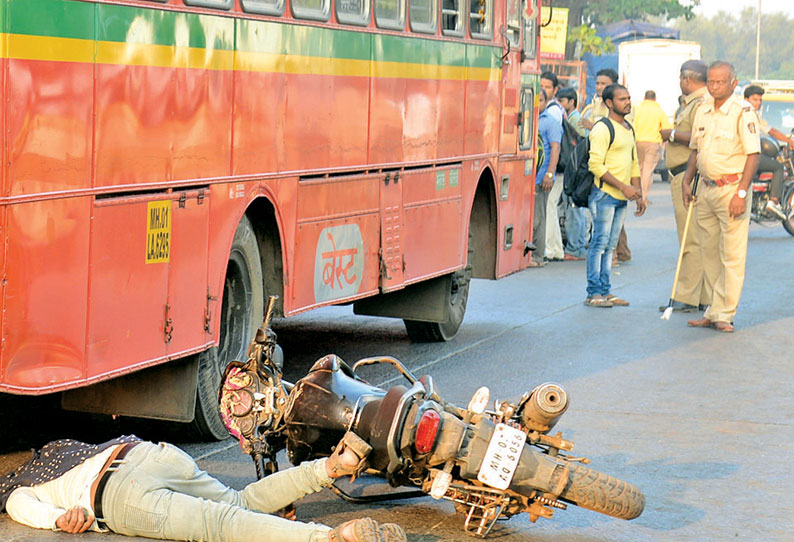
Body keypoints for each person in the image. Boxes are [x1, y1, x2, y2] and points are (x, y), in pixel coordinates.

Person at [0, 434, 407, 542]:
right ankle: (333, 465)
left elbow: (19, 504)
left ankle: (333, 539)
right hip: (149, 454)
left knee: (221, 524)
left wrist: (58, 518)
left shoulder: (19, 484)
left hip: (116, 493)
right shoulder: (60, 450)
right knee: (239, 500)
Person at [683, 61, 761, 333]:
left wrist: (741, 192)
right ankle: (712, 310)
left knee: (732, 254)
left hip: (732, 189)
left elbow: (753, 154)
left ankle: (725, 314)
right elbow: (696, 150)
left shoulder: (743, 111)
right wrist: (686, 179)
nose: (714, 86)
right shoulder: (702, 109)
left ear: (733, 83)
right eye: (711, 81)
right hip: (706, 189)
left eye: (720, 82)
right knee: (709, 253)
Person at [584, 83, 645, 307]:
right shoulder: (602, 128)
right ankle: (593, 293)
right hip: (604, 195)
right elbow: (596, 165)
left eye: (629, 98)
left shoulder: (628, 128)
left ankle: (606, 290)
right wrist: (623, 186)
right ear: (609, 103)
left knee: (610, 246)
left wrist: (638, 193)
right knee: (599, 244)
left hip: (622, 197)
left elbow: (634, 163)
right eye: (622, 99)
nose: (627, 102)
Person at [658, 59, 711, 313]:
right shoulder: (694, 103)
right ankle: (702, 295)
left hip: (688, 176)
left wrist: (671, 134)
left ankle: (687, 296)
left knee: (690, 238)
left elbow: (700, 137)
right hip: (684, 174)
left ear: (686, 79)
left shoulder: (699, 104)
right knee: (697, 238)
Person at [580, 68, 634, 265]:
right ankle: (596, 290)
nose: (600, 87)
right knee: (601, 240)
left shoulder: (625, 120)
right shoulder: (595, 106)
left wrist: (633, 187)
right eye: (598, 83)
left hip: (619, 181)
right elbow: (596, 163)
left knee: (609, 238)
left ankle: (614, 263)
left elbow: (632, 154)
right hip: (604, 184)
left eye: (604, 84)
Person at [743, 84, 794, 219]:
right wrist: (789, 142)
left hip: (744, 155)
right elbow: (771, 131)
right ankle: (773, 201)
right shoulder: (749, 114)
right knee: (778, 167)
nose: (758, 103)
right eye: (755, 99)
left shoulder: (746, 112)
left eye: (760, 100)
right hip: (747, 156)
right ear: (746, 99)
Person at [531, 88, 562, 268]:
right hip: (528, 177)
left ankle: (538, 256)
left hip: (542, 177)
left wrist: (549, 174)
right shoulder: (529, 119)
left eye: (541, 100)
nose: (538, 104)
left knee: (539, 218)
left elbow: (555, 149)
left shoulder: (550, 123)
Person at [557, 87, 588, 261]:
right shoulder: (571, 118)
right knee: (577, 210)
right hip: (577, 171)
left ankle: (574, 248)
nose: (560, 104)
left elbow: (580, 148)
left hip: (575, 171)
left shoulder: (576, 121)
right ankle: (579, 246)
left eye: (562, 101)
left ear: (571, 102)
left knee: (574, 211)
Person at [540, 72, 566, 261]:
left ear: (555, 90)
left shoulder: (553, 112)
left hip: (554, 169)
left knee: (548, 207)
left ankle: (549, 249)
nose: (544, 89)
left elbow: (554, 145)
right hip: (552, 169)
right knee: (551, 207)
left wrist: (550, 172)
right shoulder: (549, 109)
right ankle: (556, 249)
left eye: (548, 87)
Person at [634, 90, 672, 204]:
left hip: (638, 142)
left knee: (639, 169)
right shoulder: (659, 111)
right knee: (648, 170)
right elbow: (667, 129)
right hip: (653, 143)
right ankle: (643, 197)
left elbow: (632, 125)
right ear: (655, 99)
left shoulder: (638, 110)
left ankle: (637, 194)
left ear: (644, 98)